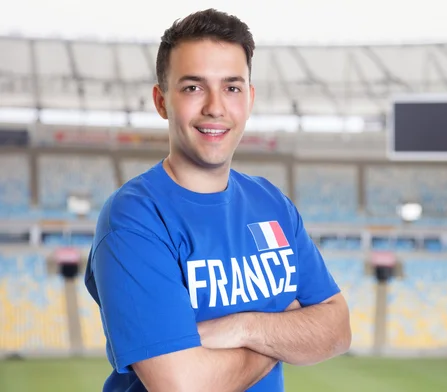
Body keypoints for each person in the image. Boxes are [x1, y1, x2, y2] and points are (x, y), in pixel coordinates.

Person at [84, 8, 352, 392]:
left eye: (232, 87)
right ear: (161, 102)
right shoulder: (134, 217)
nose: (215, 106)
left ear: (250, 98)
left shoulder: (271, 203)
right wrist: (284, 328)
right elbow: (183, 386)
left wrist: (246, 326)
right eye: (193, 87)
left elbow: (338, 329)